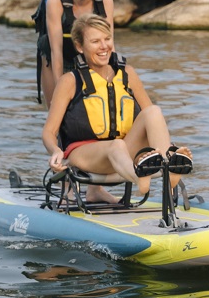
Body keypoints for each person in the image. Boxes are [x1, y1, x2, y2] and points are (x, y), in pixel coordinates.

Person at [42, 16, 190, 203]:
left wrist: (165, 143)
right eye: (95, 41)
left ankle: (168, 165)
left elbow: (151, 121)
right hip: (84, 155)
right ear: (80, 47)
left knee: (153, 112)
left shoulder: (127, 73)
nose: (104, 46)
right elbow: (49, 132)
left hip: (122, 155)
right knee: (116, 145)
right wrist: (55, 151)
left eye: (107, 39)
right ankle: (140, 178)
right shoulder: (69, 81)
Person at [35, 0, 115, 105]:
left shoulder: (105, 2)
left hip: (90, 58)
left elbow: (109, 47)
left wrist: (112, 84)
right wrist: (60, 93)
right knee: (58, 110)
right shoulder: (55, 2)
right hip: (56, 58)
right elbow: (56, 51)